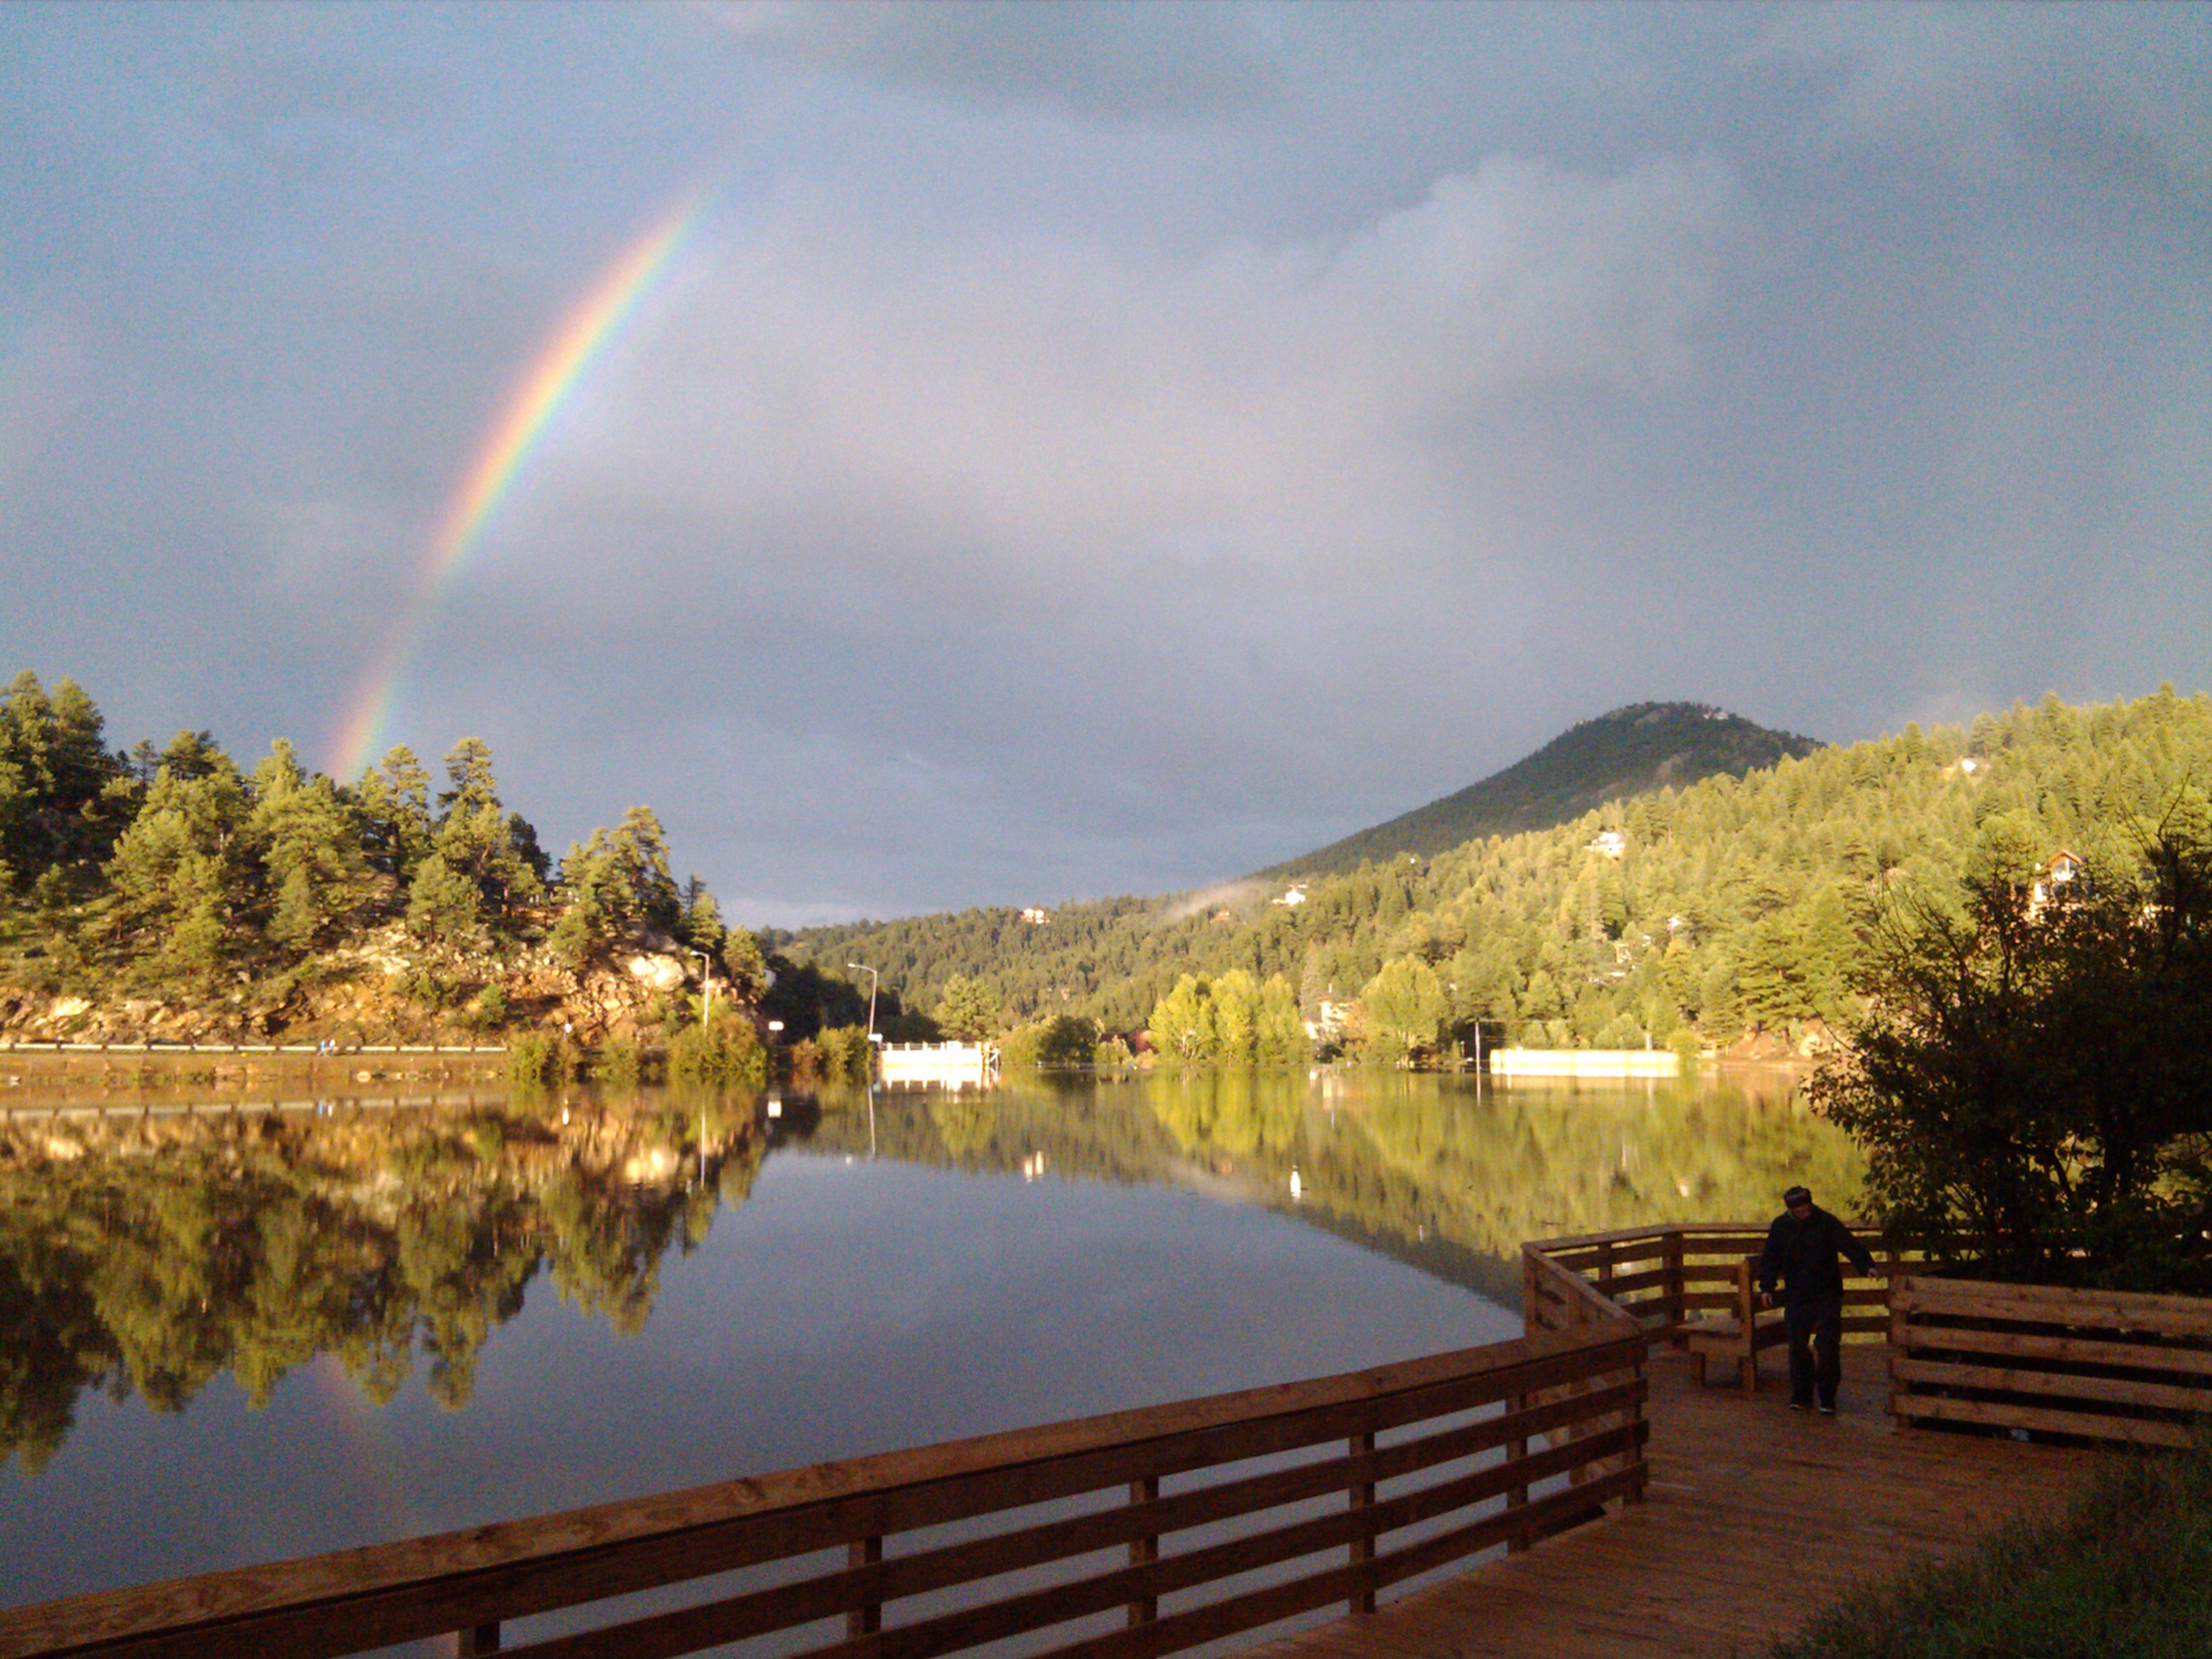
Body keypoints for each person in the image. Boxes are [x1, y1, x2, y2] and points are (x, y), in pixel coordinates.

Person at [1756, 1185, 1874, 1414]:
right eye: (1800, 1210)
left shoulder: (1826, 1222)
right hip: (1797, 1295)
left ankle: (1827, 1397)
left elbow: (1848, 1244)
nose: (1805, 1213)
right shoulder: (1781, 1227)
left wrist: (1866, 1265)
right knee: (1797, 1346)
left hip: (1827, 1292)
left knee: (1828, 1345)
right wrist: (1767, 1287)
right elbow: (1771, 1258)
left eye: (1807, 1208)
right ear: (1791, 1210)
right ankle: (1802, 1394)